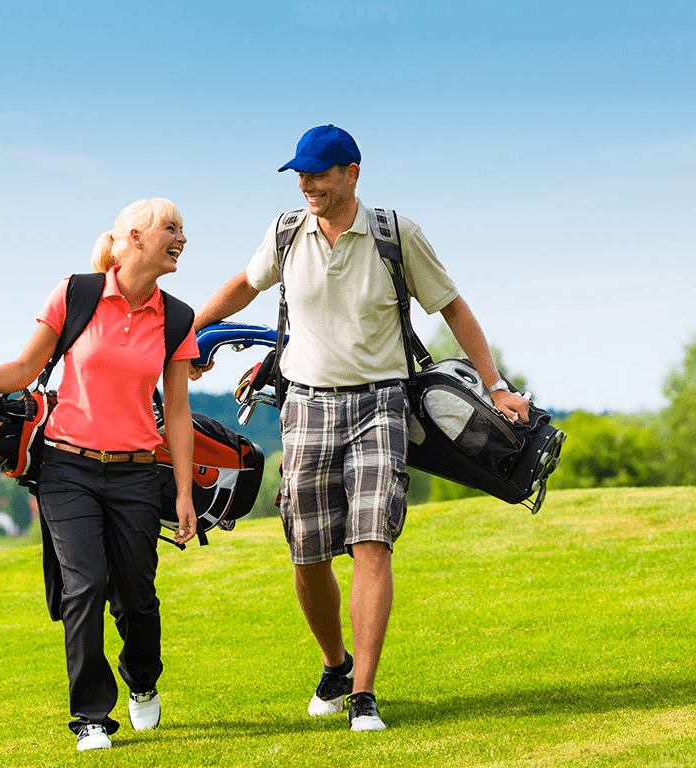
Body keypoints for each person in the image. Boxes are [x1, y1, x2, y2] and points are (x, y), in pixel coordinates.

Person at [191, 126, 530, 731]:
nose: (307, 184)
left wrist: (497, 385)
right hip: (306, 406)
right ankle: (335, 663)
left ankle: (364, 694)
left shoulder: (395, 234)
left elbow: (453, 306)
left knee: (372, 541)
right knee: (307, 551)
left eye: (319, 173)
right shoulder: (285, 232)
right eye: (300, 174)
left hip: (382, 405)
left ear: (352, 172)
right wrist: (191, 331)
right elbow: (245, 284)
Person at [0, 198, 200, 751]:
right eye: (171, 228)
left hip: (137, 473)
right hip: (68, 468)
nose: (182, 237)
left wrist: (183, 492)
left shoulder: (177, 317)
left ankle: (142, 679)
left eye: (182, 229)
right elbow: (24, 369)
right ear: (134, 238)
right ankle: (91, 715)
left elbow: (177, 412)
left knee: (136, 594)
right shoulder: (76, 293)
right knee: (83, 586)